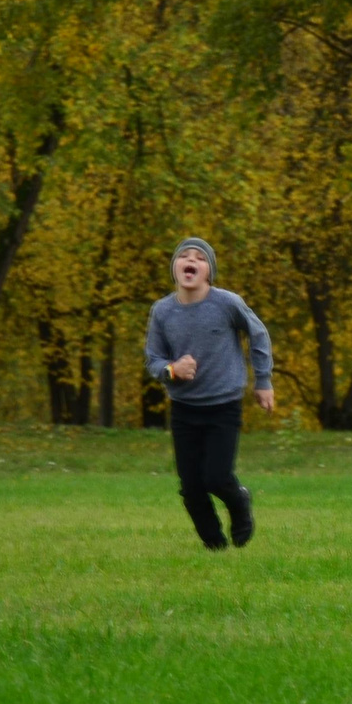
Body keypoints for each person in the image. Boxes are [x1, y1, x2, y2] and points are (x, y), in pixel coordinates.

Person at [143, 236, 274, 550]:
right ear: (175, 268)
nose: (191, 260)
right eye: (184, 256)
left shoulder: (227, 303)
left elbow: (258, 334)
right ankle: (214, 546)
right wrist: (172, 370)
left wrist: (263, 381)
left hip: (223, 406)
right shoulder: (162, 311)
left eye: (200, 258)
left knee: (216, 477)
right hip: (184, 408)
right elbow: (153, 359)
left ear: (209, 273)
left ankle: (240, 502)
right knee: (191, 487)